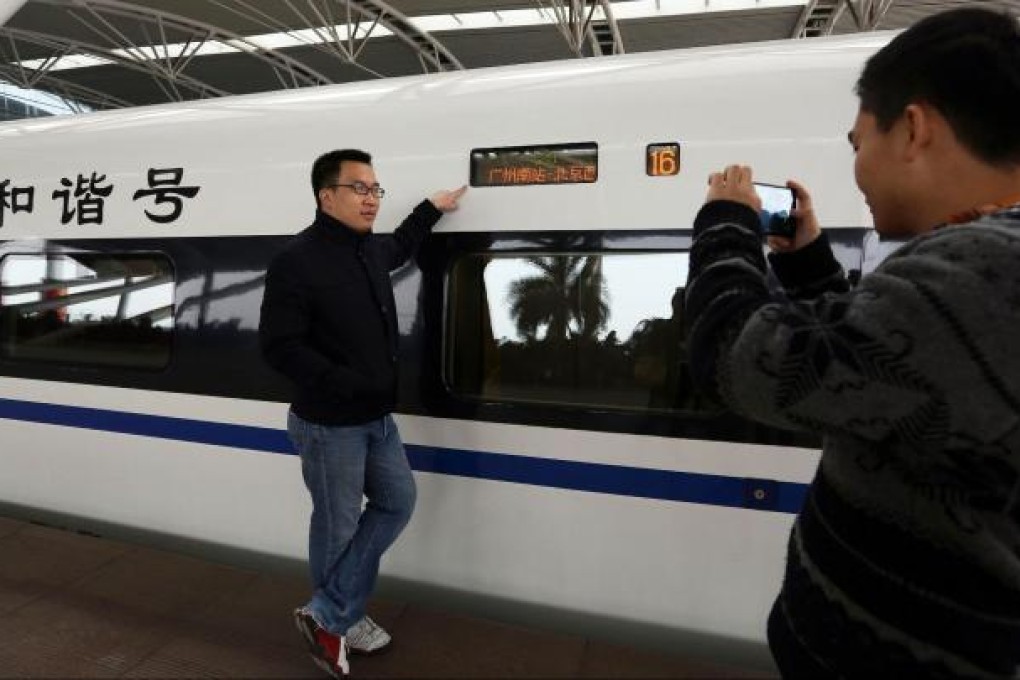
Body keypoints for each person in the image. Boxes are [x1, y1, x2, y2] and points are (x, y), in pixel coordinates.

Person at [685, 7, 1020, 678]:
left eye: (857, 139)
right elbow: (879, 379)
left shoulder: (982, 269)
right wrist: (807, 262)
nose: (857, 166)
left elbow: (735, 359)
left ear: (915, 129)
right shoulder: (987, 263)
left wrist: (725, 221)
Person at [259, 149, 466, 678]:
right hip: (329, 423)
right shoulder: (296, 261)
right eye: (360, 188)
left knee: (398, 501)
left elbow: (400, 245)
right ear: (327, 196)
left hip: (376, 418)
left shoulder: (369, 250)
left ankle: (328, 614)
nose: (372, 198)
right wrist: (343, 381)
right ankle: (340, 623)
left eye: (376, 188)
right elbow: (279, 346)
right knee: (337, 525)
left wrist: (431, 208)